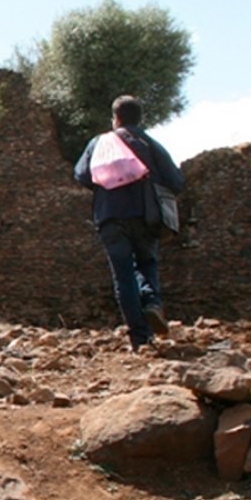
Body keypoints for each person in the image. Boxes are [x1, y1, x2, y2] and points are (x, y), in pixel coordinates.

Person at [74, 94, 185, 349]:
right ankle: (152, 303)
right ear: (139, 118)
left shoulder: (99, 142)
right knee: (147, 262)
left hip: (110, 216)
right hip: (146, 215)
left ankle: (140, 338)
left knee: (123, 275)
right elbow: (177, 181)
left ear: (116, 118)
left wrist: (108, 184)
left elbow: (81, 175)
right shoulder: (150, 144)